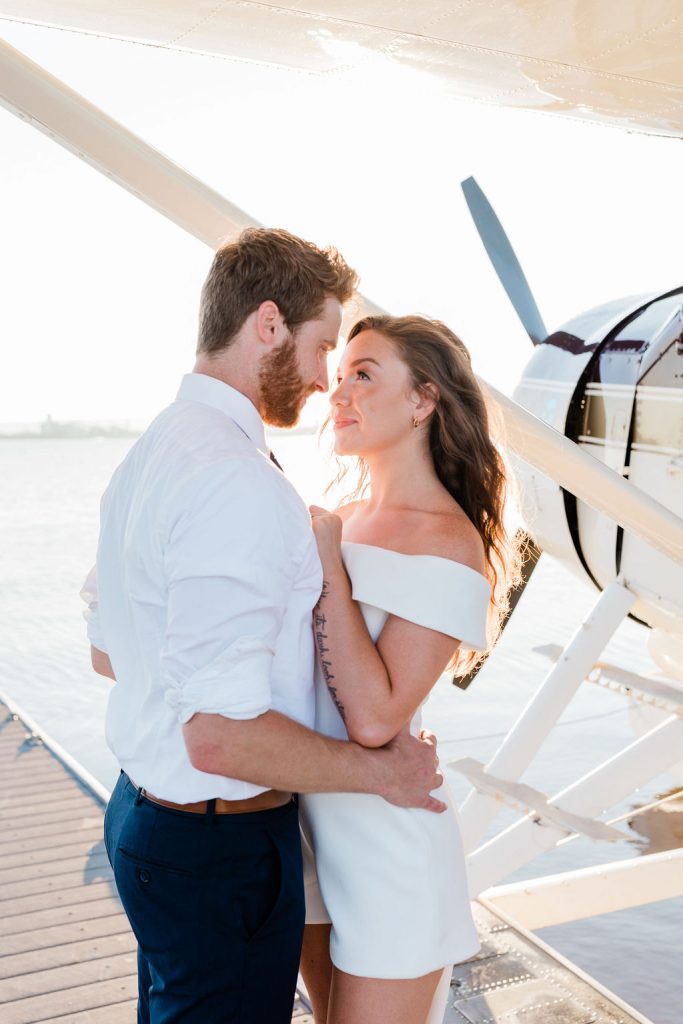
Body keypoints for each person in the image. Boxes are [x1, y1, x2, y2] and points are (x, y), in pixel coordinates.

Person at [81, 231, 447, 1024]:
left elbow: (108, 650)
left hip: (145, 821)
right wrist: (385, 774)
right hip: (217, 851)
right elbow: (218, 738)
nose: (323, 382)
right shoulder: (236, 483)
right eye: (322, 348)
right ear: (269, 325)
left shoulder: (151, 455)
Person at [298, 314, 520, 1024]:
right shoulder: (342, 513)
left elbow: (373, 718)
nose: (339, 394)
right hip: (304, 836)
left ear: (423, 400)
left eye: (363, 375)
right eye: (337, 378)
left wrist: (328, 568)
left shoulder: (449, 544)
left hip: (387, 856)